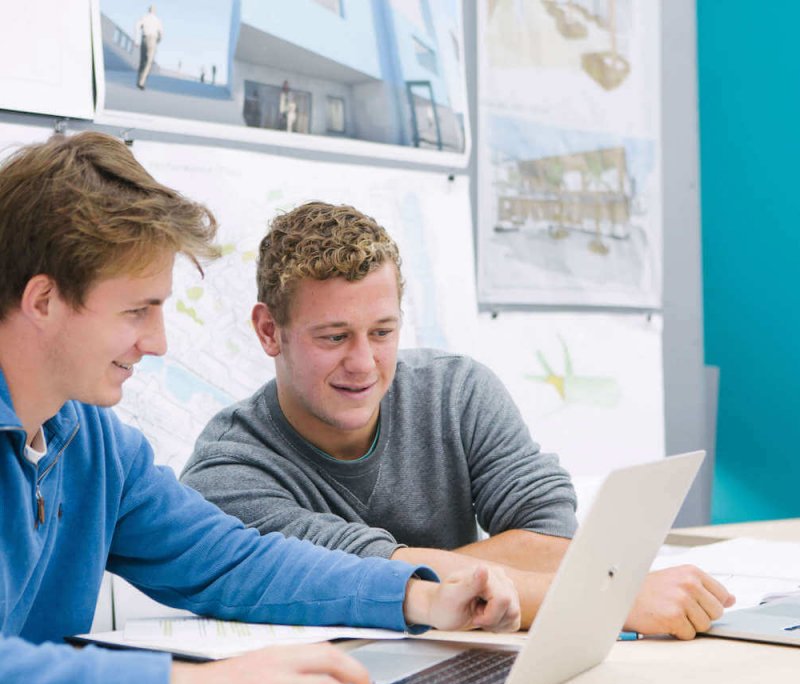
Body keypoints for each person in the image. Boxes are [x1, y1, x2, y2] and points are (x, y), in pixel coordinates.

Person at [0, 134, 520, 684]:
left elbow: (235, 562)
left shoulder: (92, 442)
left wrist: (417, 596)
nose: (158, 342)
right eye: (137, 311)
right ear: (44, 300)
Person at [182, 201, 736, 639]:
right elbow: (367, 580)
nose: (363, 363)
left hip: (466, 659)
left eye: (382, 332)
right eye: (333, 337)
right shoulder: (228, 472)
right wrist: (611, 598)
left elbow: (549, 533)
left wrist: (425, 573)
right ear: (268, 331)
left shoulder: (456, 392)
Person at [136, 5, 163, 90]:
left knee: (142, 61)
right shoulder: (157, 20)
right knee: (149, 62)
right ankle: (142, 82)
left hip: (144, 38)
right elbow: (161, 33)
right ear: (154, 11)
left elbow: (137, 26)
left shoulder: (144, 17)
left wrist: (136, 39)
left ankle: (139, 80)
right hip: (152, 40)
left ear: (148, 10)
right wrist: (157, 41)